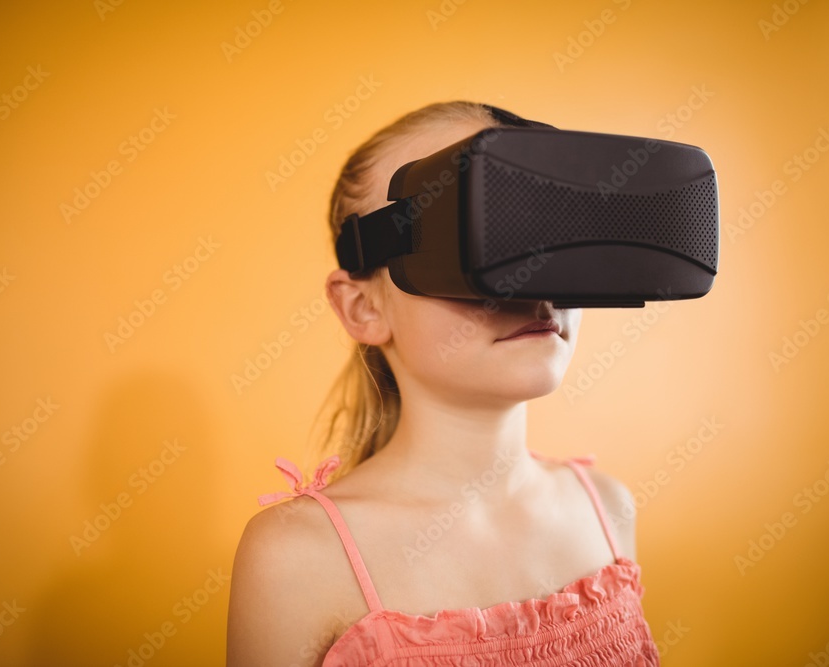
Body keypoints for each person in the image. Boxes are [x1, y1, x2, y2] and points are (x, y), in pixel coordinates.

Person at [227, 101, 660, 666]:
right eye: (472, 238)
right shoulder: (296, 555)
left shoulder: (606, 507)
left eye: (550, 230)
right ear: (362, 307)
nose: (533, 279)